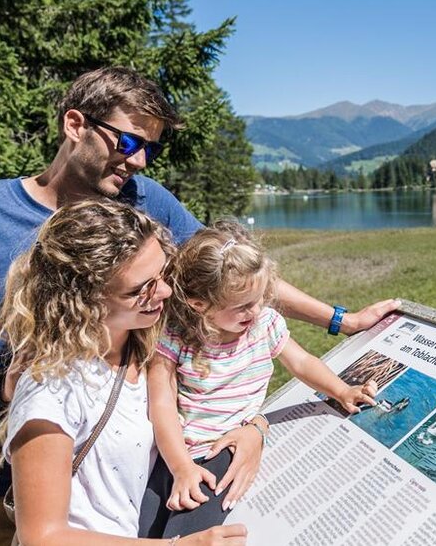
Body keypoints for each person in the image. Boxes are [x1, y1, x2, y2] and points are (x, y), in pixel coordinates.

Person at [0, 67, 399, 546]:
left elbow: (233, 280)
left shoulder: (145, 206)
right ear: (75, 123)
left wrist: (340, 321)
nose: (140, 160)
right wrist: (12, 384)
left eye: (151, 147)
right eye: (128, 140)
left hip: (117, 494)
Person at [0, 199, 246, 544]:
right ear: (85, 300)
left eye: (163, 273)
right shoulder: (51, 390)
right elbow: (43, 536)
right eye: (140, 289)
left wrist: (254, 429)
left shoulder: (147, 345)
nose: (166, 291)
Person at [139, 223, 379, 538]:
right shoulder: (176, 336)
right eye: (242, 306)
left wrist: (342, 390)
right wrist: (181, 466)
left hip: (221, 454)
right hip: (177, 455)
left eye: (260, 297)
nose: (255, 309)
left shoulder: (264, 324)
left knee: (187, 535)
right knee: (141, 534)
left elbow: (301, 361)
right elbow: (162, 403)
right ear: (200, 304)